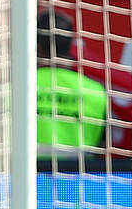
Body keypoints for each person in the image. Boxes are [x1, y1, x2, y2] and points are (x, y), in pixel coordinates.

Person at [36, 9, 107, 157]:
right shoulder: (95, 91)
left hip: (23, 177)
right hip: (81, 178)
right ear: (70, 43)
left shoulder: (13, 89)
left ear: (37, 45)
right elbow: (102, 148)